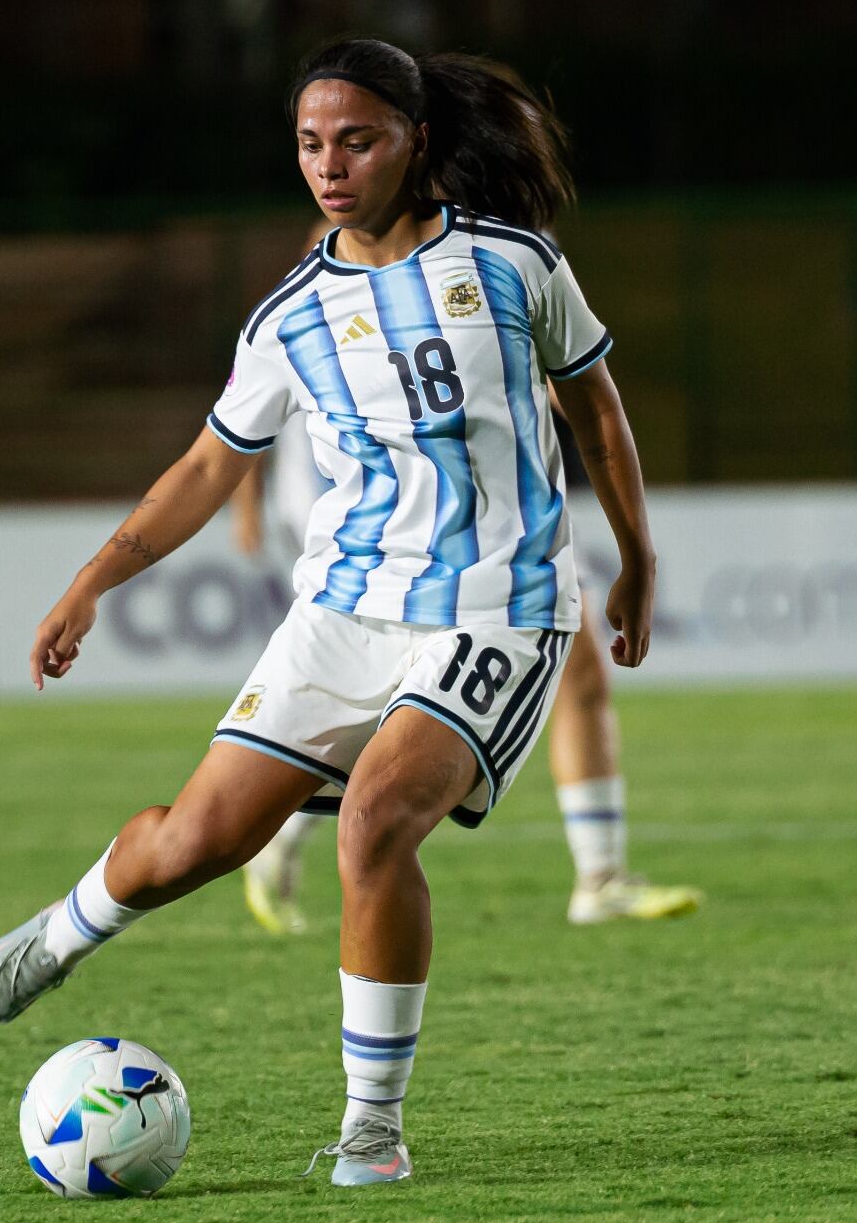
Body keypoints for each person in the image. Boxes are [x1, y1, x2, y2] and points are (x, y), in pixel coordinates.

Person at [0, 39, 660, 1187]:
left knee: (374, 820)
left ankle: (373, 1124)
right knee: (195, 842)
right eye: (312, 142)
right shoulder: (289, 317)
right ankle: (58, 937)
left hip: (499, 604)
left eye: (358, 138)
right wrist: (92, 579)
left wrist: (635, 558)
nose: (331, 163)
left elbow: (598, 412)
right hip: (342, 610)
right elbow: (206, 468)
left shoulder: (516, 265)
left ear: (416, 142)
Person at [232, 394, 701, 934]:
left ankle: (601, 878)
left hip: (494, 499)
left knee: (582, 665)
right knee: (395, 686)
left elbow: (560, 374)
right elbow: (260, 393)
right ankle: (283, 831)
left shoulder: (519, 308)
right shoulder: (319, 313)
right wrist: (248, 501)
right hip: (380, 510)